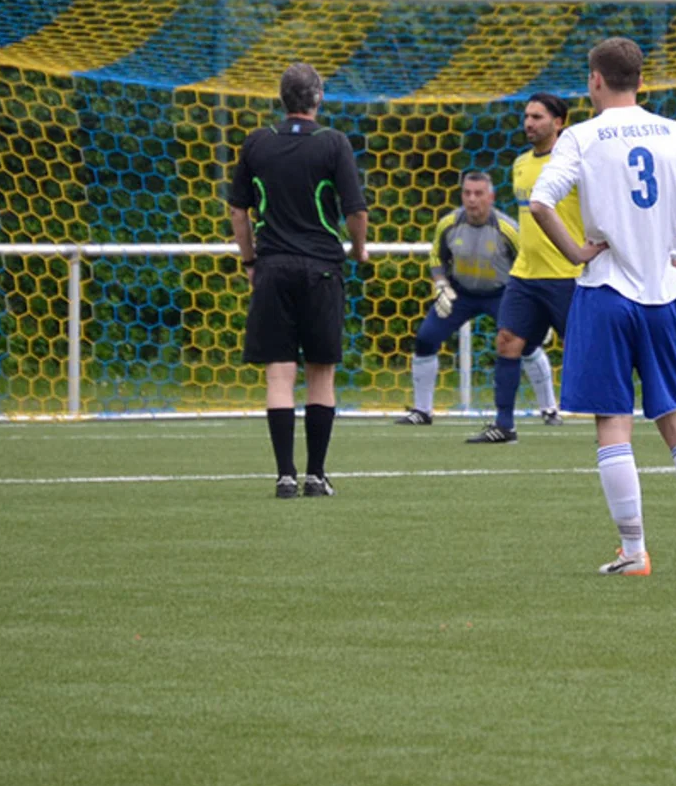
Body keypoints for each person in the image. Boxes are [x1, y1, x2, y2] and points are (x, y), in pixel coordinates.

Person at [528, 36, 676, 576]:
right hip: (664, 293)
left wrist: (577, 252)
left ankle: (633, 552)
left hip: (605, 293)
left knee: (613, 423)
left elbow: (540, 203)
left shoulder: (580, 136)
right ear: (641, 80)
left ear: (596, 81)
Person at [226, 62, 369, 499]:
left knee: (279, 374)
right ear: (318, 97)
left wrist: (250, 261)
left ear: (281, 98)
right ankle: (316, 475)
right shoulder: (333, 143)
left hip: (273, 268)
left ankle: (285, 475)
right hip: (322, 268)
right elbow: (355, 210)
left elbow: (238, 211)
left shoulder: (257, 143)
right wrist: (359, 250)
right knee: (320, 373)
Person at [466, 93, 577, 444]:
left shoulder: (575, 163)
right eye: (527, 116)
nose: (529, 123)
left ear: (559, 122)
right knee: (507, 341)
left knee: (587, 349)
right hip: (526, 274)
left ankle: (618, 417)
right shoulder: (519, 164)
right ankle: (504, 424)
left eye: (538, 117)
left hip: (567, 274)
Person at [396, 172, 522, 426]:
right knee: (425, 338)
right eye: (467, 193)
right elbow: (436, 257)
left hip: (501, 293)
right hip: (460, 293)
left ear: (491, 197)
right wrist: (440, 283)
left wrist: (531, 305)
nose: (472, 199)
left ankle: (549, 409)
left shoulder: (508, 229)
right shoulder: (449, 224)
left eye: (478, 193)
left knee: (525, 344)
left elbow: (525, 264)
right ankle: (422, 411)